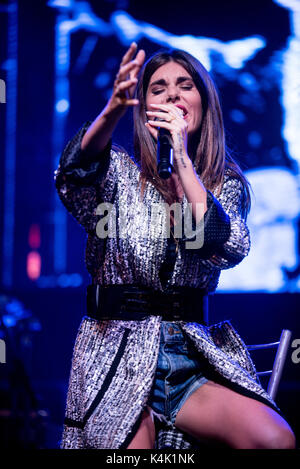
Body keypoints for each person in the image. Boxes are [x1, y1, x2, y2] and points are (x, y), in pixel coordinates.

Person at [54, 42, 296, 449]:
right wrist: (113, 106)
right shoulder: (116, 175)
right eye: (158, 87)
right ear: (143, 104)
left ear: (203, 102)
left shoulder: (225, 185)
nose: (172, 95)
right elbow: (74, 171)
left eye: (185, 85)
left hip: (188, 359)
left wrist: (182, 160)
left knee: (276, 440)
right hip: (117, 353)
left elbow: (224, 246)